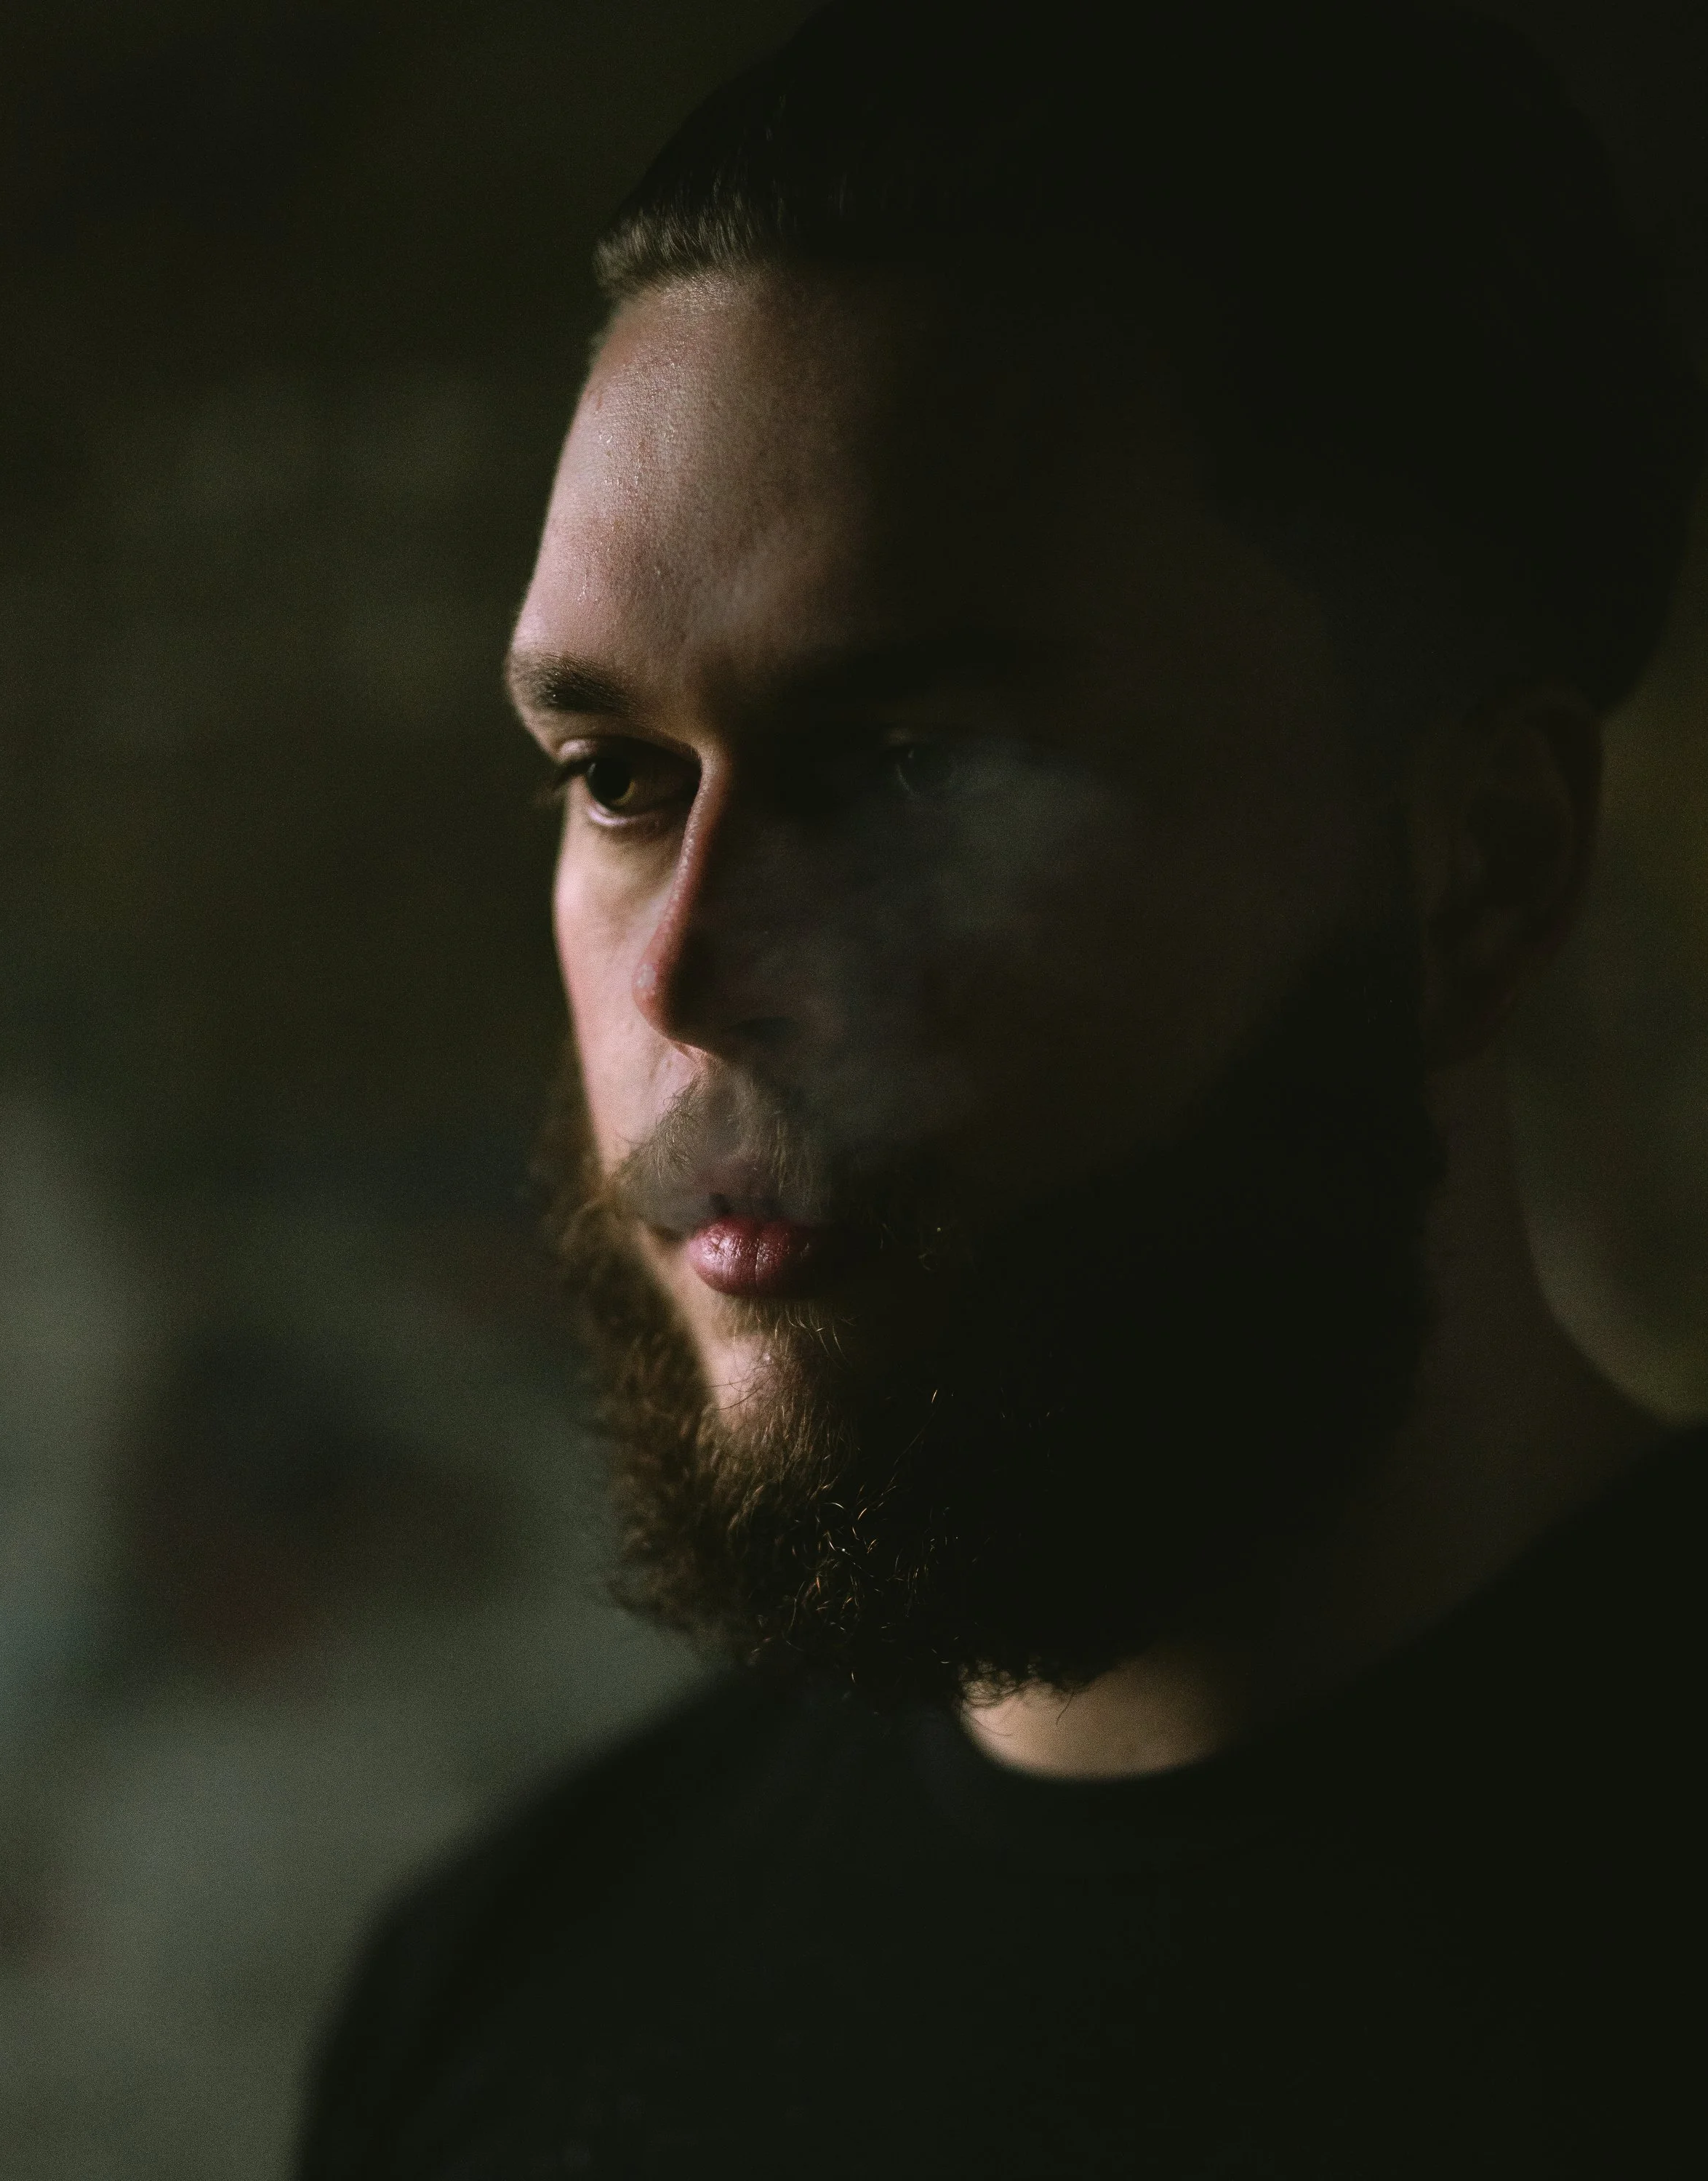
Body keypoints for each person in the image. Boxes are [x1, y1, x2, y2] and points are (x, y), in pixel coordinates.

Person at [298, 4, 1707, 2174]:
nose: (691, 975)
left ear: (1482, 866)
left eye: (905, 767)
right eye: (615, 780)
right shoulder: (502, 2010)